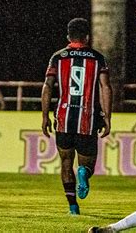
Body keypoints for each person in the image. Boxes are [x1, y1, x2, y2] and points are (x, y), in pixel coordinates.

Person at [41, 18, 112, 215]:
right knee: (87, 164)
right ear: (88, 37)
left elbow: (47, 86)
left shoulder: (58, 57)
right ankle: (84, 173)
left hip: (64, 118)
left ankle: (73, 207)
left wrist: (45, 116)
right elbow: (105, 87)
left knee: (65, 162)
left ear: (68, 37)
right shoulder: (98, 58)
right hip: (87, 119)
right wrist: (107, 117)